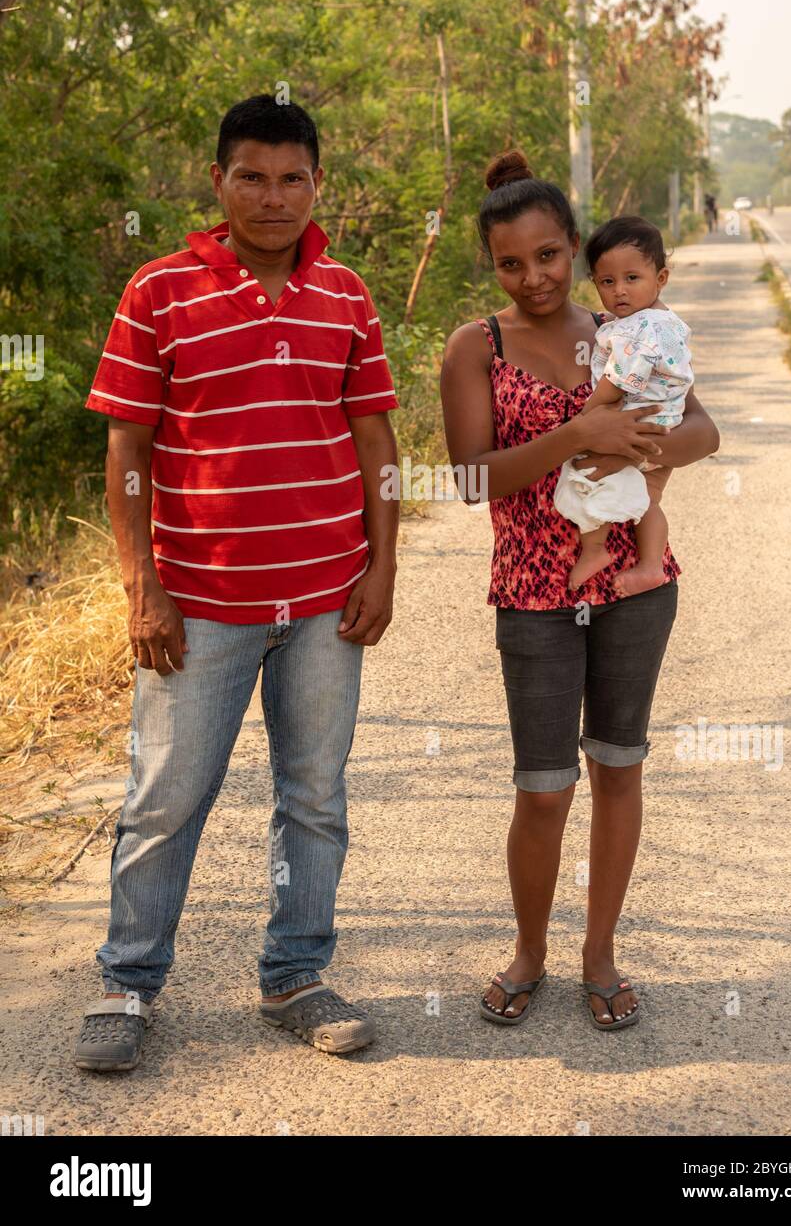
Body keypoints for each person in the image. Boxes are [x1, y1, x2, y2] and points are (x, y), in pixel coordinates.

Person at [75, 94, 399, 1071]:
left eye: (291, 177)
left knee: (314, 795)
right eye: (251, 176)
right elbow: (127, 446)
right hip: (199, 607)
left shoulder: (345, 293)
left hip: (324, 605)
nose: (272, 196)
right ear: (218, 181)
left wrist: (384, 565)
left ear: (317, 185)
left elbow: (376, 436)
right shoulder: (160, 292)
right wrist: (142, 587)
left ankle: (295, 974)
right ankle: (128, 984)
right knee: (166, 796)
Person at [440, 150, 719, 1030]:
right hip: (531, 591)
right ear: (492, 267)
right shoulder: (472, 348)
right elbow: (473, 482)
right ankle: (531, 951)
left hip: (637, 586)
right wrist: (576, 434)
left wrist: (627, 448)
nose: (534, 278)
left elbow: (702, 430)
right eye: (510, 263)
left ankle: (600, 955)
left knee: (618, 769)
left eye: (550, 256)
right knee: (542, 785)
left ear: (573, 248)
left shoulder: (627, 324)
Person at [555, 216, 693, 598]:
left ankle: (595, 548)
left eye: (632, 278)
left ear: (661, 278)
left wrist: (587, 414)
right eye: (607, 281)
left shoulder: (641, 326)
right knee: (648, 499)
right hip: (661, 425)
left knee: (586, 467)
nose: (619, 291)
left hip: (640, 422)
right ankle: (650, 565)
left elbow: (618, 381)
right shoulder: (663, 320)